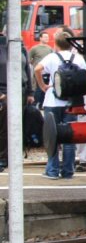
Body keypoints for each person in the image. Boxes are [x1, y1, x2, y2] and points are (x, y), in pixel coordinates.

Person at [35, 30, 86, 179]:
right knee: (70, 138)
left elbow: (37, 68)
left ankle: (52, 171)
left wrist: (42, 85)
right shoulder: (78, 58)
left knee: (52, 136)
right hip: (71, 103)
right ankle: (68, 171)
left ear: (56, 43)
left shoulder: (51, 57)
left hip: (52, 100)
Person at [0, 31, 33, 172]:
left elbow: (27, 70)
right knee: (4, 127)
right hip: (4, 91)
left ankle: (14, 156)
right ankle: (2, 157)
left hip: (21, 91)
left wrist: (30, 92)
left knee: (19, 126)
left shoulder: (22, 48)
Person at [28, 30, 52, 106]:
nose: (46, 38)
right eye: (45, 37)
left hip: (48, 73)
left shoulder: (50, 49)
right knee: (38, 89)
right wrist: (35, 65)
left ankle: (43, 104)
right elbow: (29, 59)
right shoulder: (34, 48)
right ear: (40, 38)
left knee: (47, 88)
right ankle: (36, 104)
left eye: (47, 37)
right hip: (38, 72)